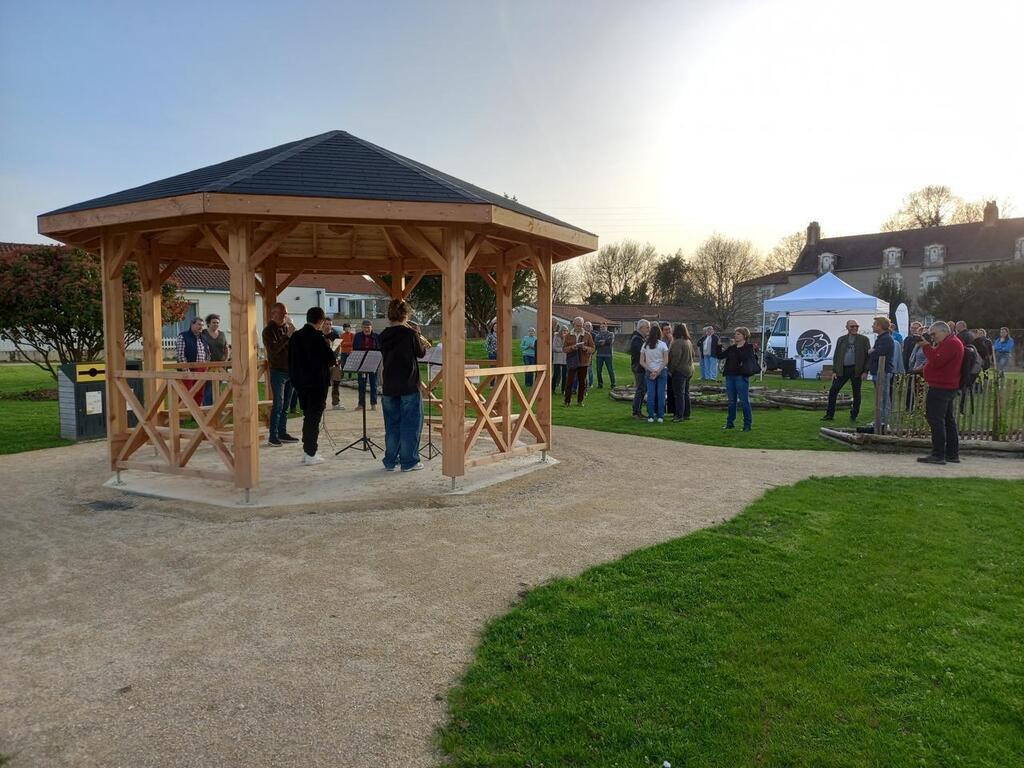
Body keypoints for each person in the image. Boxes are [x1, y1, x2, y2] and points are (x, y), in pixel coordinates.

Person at [379, 298, 427, 472]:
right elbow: (421, 353)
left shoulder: (383, 335)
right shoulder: (410, 334)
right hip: (408, 384)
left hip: (389, 385)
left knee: (392, 425)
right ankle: (409, 461)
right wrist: (417, 335)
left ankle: (391, 461)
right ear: (405, 315)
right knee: (411, 424)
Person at [287, 307, 337, 465]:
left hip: (301, 384)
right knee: (313, 419)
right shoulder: (318, 337)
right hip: (316, 384)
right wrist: (329, 347)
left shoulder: (295, 336)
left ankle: (307, 451)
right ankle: (310, 453)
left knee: (307, 416)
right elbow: (330, 360)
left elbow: (291, 361)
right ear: (321, 321)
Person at [917, 322, 965, 464]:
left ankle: (938, 454)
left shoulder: (951, 343)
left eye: (934, 334)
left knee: (936, 420)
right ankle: (951, 453)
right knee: (947, 421)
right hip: (946, 386)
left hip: (941, 387)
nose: (933, 337)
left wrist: (925, 346)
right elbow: (938, 358)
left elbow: (937, 360)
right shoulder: (951, 342)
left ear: (943, 331)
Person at [262, 303, 298, 446]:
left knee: (286, 405)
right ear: (273, 314)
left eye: (286, 313)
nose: (285, 316)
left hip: (291, 370)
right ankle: (273, 436)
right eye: (282, 313)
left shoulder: (286, 328)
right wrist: (287, 336)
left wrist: (293, 335)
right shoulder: (268, 331)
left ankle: (282, 433)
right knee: (278, 404)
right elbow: (274, 350)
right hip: (278, 371)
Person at [822, 320, 869, 421]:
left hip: (856, 369)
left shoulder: (864, 339)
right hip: (842, 369)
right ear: (847, 327)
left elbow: (867, 357)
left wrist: (865, 371)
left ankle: (854, 414)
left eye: (857, 326)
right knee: (833, 390)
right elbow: (836, 356)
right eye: (852, 326)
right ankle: (830, 414)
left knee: (856, 392)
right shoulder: (841, 339)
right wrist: (834, 370)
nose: (855, 328)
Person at [716, 327, 756, 431]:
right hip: (730, 376)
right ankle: (730, 423)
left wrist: (738, 347)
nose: (736, 336)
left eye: (738, 334)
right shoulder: (732, 348)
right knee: (731, 401)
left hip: (741, 376)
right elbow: (720, 356)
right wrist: (719, 345)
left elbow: (744, 358)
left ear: (744, 336)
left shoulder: (748, 347)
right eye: (735, 334)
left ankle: (747, 424)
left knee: (744, 401)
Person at [867, 315, 895, 429]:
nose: (872, 326)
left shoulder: (886, 339)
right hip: (877, 371)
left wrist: (871, 352)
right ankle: (879, 419)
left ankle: (884, 421)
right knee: (879, 397)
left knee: (883, 397)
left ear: (880, 326)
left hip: (883, 371)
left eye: (874, 324)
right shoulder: (881, 338)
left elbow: (878, 353)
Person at [176, 316, 210, 407]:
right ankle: (182, 414)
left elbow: (207, 352)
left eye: (202, 325)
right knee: (186, 392)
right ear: (192, 324)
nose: (201, 327)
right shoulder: (183, 336)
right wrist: (186, 370)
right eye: (199, 324)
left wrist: (206, 367)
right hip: (188, 369)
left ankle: (196, 414)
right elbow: (180, 355)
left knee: (199, 393)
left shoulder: (203, 338)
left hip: (202, 369)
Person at [562, 317, 595, 407]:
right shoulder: (568, 335)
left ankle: (580, 401)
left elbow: (593, 348)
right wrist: (572, 347)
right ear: (574, 324)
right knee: (569, 382)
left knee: (582, 383)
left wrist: (585, 348)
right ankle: (567, 401)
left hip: (583, 362)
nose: (579, 327)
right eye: (577, 325)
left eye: (581, 325)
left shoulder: (587, 335)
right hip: (572, 361)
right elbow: (564, 349)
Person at [640, 324, 668, 423]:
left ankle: (651, 416)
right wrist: (658, 371)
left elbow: (641, 361)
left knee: (651, 395)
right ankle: (660, 416)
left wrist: (651, 370)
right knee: (661, 395)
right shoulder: (663, 344)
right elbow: (666, 360)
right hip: (661, 371)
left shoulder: (645, 345)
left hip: (649, 371)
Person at [199, 314, 229, 406]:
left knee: (218, 387)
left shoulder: (222, 334)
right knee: (208, 388)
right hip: (208, 365)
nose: (216, 324)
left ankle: (217, 407)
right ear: (208, 323)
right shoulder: (203, 333)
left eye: (217, 322)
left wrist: (226, 359)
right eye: (213, 322)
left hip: (221, 365)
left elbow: (226, 347)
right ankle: (207, 409)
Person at [668, 323, 694, 422]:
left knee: (679, 394)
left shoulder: (677, 342)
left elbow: (676, 358)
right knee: (685, 393)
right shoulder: (688, 341)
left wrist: (671, 370)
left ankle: (679, 415)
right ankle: (686, 413)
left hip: (680, 371)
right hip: (689, 370)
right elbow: (693, 354)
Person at [353, 319, 381, 411]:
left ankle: (373, 403)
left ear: (371, 328)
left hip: (373, 363)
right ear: (362, 328)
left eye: (368, 327)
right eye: (365, 327)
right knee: (361, 384)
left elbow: (380, 349)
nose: (366, 329)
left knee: (374, 384)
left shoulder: (377, 336)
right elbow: (354, 348)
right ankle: (361, 404)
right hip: (361, 363)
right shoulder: (357, 336)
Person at [324, 318, 347, 412]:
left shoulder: (335, 335)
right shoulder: (320, 335)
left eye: (330, 324)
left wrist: (338, 359)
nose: (328, 326)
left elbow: (339, 348)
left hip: (335, 363)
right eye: (326, 324)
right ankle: (322, 403)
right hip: (324, 364)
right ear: (323, 324)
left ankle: (335, 403)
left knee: (336, 384)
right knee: (324, 385)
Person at [629, 319, 650, 419]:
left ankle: (637, 411)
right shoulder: (637, 339)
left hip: (640, 367)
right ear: (641, 327)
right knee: (641, 389)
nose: (648, 329)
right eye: (647, 327)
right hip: (639, 368)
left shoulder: (639, 338)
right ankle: (636, 412)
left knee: (642, 389)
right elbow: (641, 353)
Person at [593, 322, 616, 388]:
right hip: (599, 355)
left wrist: (603, 342)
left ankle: (613, 384)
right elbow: (596, 343)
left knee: (610, 369)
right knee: (598, 370)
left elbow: (610, 341)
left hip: (608, 355)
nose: (602, 328)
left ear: (606, 327)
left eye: (603, 327)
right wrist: (605, 342)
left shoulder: (611, 334)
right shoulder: (597, 335)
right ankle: (600, 384)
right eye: (601, 327)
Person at [551, 320, 567, 394]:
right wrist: (563, 349)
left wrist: (564, 339)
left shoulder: (567, 337)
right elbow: (554, 348)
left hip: (565, 359)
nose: (565, 332)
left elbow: (568, 347)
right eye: (563, 330)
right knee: (556, 374)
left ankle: (563, 390)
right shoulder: (556, 336)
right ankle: (552, 389)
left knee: (565, 375)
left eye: (566, 331)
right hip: (557, 358)